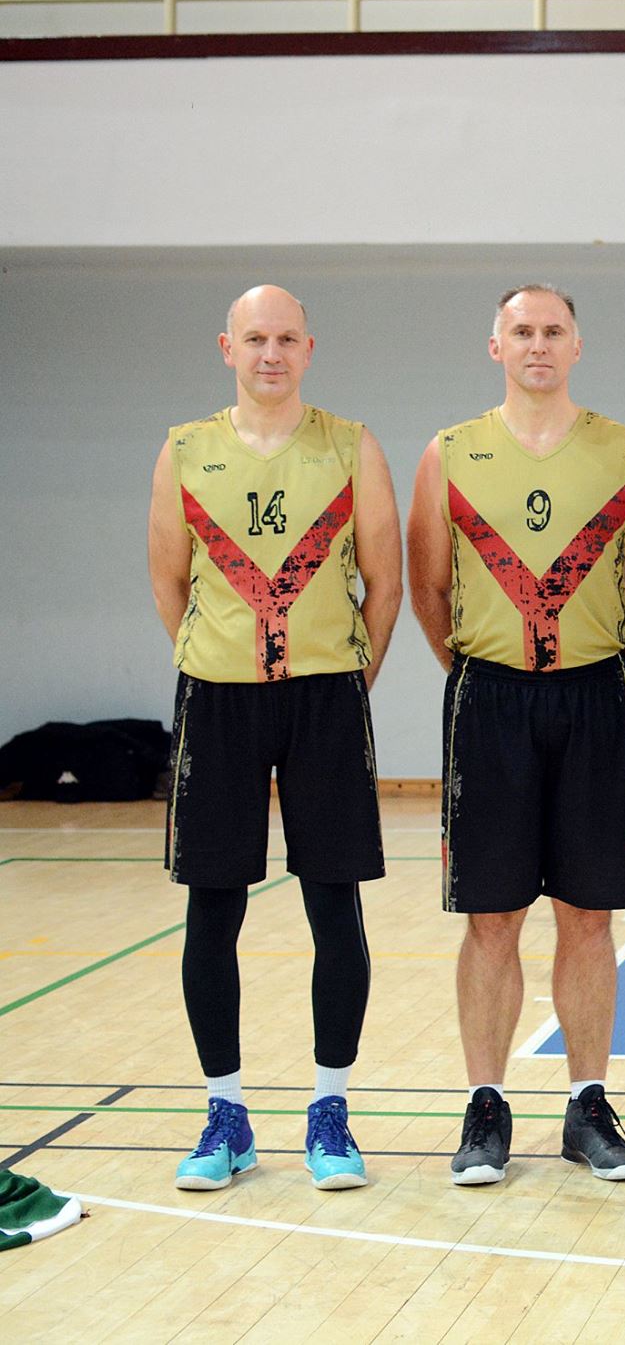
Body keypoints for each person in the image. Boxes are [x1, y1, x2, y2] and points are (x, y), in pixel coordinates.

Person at [406, 284, 625, 1186]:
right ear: (496, 347)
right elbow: (429, 589)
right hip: (488, 699)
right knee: (492, 916)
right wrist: (486, 672)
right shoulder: (449, 453)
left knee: (590, 915)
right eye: (522, 331)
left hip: (594, 696)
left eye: (554, 330)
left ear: (577, 345)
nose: (538, 344)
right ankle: (486, 1106)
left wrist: (586, 662)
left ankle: (588, 1105)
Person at [146, 284, 400, 1191]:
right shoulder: (185, 448)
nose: (271, 354)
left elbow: (384, 583)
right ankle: (226, 1114)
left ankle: (331, 1110)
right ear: (228, 347)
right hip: (218, 701)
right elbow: (170, 581)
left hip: (325, 698)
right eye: (255, 338)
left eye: (287, 338)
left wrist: (344, 683)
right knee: (212, 910)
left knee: (335, 907)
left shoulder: (351, 445)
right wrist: (223, 658)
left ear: (309, 348)